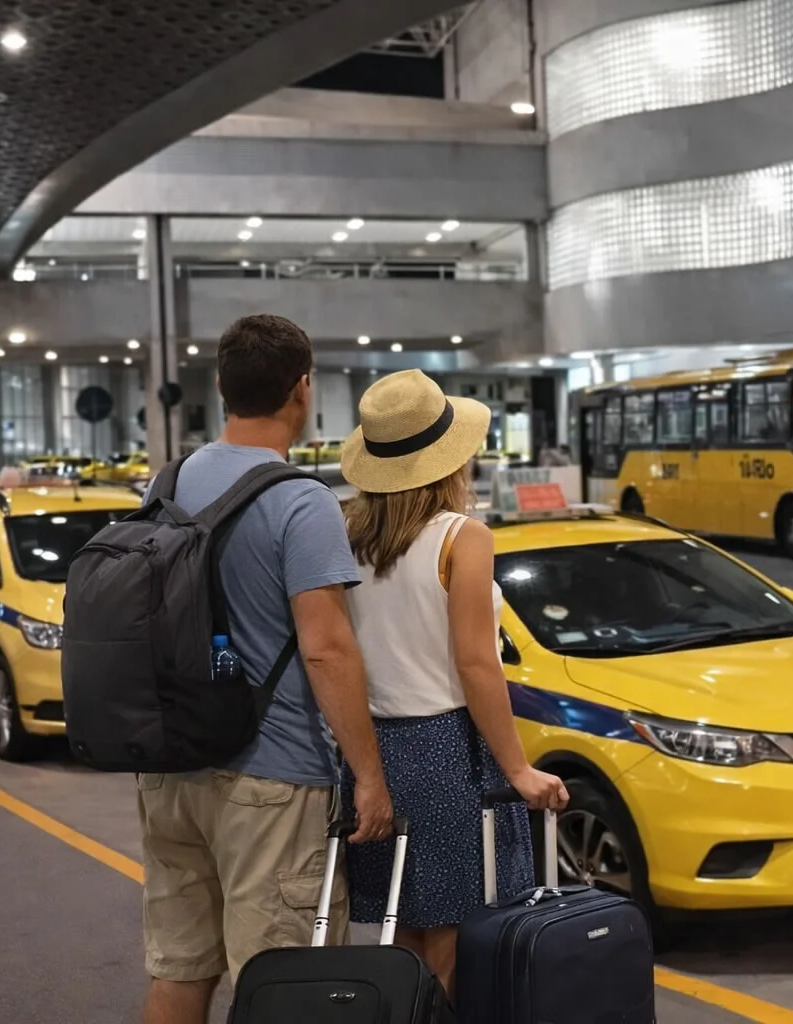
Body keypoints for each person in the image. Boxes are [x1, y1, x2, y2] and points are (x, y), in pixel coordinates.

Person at [137, 314, 394, 1024]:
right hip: (273, 779)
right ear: (302, 389)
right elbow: (326, 647)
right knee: (286, 987)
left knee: (179, 970)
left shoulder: (167, 483)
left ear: (221, 389)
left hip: (168, 769)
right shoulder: (299, 500)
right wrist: (369, 778)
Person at [339, 369, 569, 994]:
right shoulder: (463, 539)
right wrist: (520, 770)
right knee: (457, 944)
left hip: (373, 750)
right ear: (450, 460)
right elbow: (476, 664)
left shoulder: (345, 534)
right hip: (449, 752)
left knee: (404, 931)